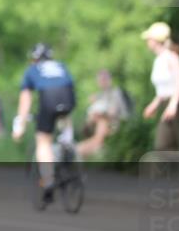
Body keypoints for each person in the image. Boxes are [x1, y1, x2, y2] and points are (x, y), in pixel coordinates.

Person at [141, 22, 179, 199]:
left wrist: (174, 104)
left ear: (157, 40)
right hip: (166, 104)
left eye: (150, 38)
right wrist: (154, 104)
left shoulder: (171, 57)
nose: (147, 41)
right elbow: (162, 88)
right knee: (161, 146)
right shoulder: (158, 60)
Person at [12, 43, 77, 205]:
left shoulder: (33, 70)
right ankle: (66, 142)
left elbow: (26, 100)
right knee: (64, 116)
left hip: (48, 99)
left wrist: (20, 125)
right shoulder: (61, 66)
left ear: (34, 58)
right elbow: (69, 86)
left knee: (43, 141)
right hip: (67, 97)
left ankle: (48, 181)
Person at [77, 69, 129, 159]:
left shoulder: (115, 93)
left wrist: (99, 113)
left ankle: (94, 145)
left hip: (117, 124)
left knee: (102, 120)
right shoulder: (100, 95)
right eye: (101, 80)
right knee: (93, 120)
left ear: (110, 80)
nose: (103, 82)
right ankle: (91, 146)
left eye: (105, 79)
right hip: (100, 126)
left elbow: (113, 113)